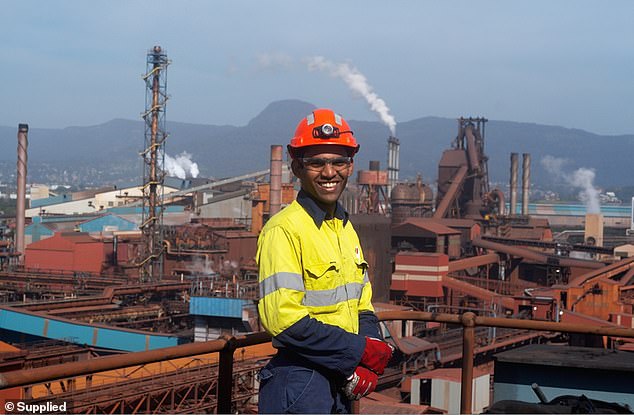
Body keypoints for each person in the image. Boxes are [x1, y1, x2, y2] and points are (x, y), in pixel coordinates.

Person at [256, 108, 393, 414]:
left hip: (339, 379)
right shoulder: (284, 230)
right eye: (316, 163)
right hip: (300, 382)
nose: (329, 172)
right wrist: (358, 351)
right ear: (296, 167)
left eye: (338, 162)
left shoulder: (344, 227)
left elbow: (362, 303)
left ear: (351, 165)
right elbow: (283, 320)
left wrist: (369, 349)